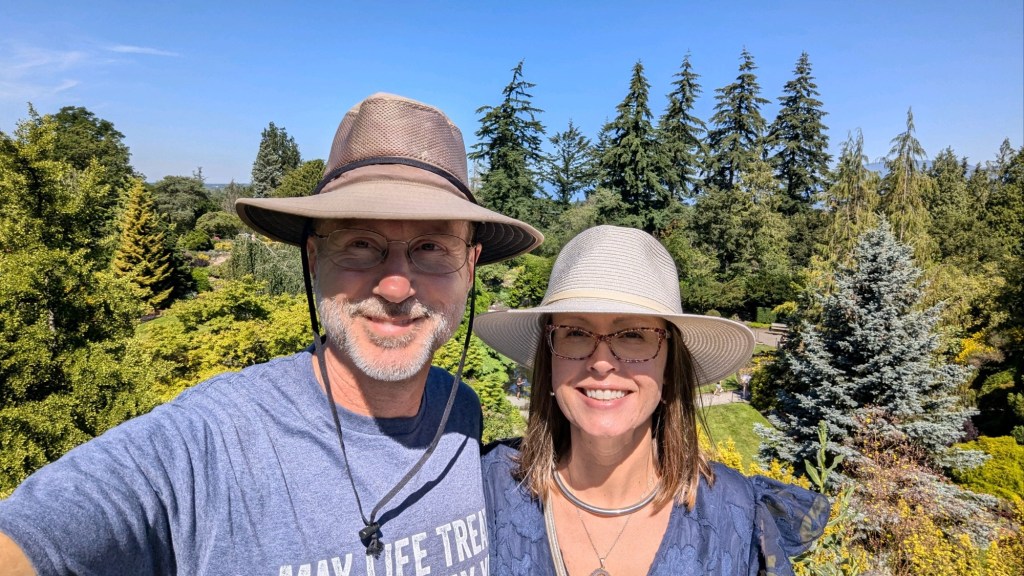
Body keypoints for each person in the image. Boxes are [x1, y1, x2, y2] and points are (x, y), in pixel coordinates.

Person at [0, 93, 543, 575]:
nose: (397, 286)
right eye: (359, 243)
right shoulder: (206, 442)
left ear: (470, 267)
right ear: (313, 260)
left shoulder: (461, 411)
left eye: (432, 247)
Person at [473, 225, 829, 575]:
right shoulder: (486, 490)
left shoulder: (733, 513)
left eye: (632, 335)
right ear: (549, 358)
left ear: (669, 366)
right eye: (576, 333)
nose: (601, 362)